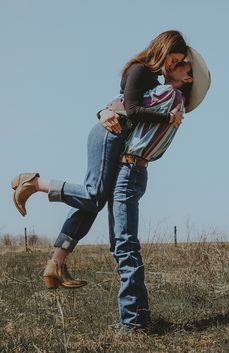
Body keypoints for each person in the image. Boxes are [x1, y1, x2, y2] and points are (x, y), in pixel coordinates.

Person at [11, 30, 189, 289]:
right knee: (94, 195)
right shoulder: (141, 70)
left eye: (178, 61)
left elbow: (117, 103)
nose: (173, 65)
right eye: (174, 59)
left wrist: (105, 110)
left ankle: (56, 264)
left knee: (94, 199)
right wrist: (166, 118)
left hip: (115, 135)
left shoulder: (154, 79)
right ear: (163, 49)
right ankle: (35, 183)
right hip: (108, 135)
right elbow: (131, 110)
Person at [107, 61, 193, 331]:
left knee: (125, 245)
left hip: (130, 168)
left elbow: (127, 107)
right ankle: (137, 318)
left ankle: (133, 324)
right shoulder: (177, 103)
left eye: (183, 66)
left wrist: (102, 111)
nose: (176, 66)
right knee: (124, 244)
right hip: (137, 169)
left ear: (187, 78)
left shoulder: (170, 94)